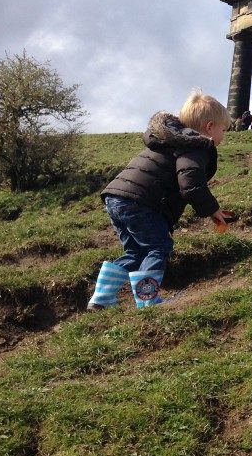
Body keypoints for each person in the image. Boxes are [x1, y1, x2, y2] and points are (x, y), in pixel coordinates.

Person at [86, 90, 237, 310]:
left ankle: (101, 298)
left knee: (137, 252)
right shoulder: (196, 146)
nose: (224, 136)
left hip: (116, 196)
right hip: (139, 201)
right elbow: (191, 184)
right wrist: (213, 210)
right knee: (159, 246)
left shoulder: (169, 140)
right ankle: (148, 300)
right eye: (224, 130)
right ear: (210, 127)